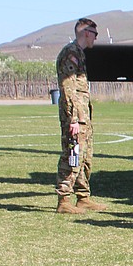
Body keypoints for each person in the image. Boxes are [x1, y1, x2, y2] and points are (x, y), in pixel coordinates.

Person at [55, 17, 105, 214]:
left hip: (84, 117)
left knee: (84, 157)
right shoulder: (70, 54)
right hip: (75, 119)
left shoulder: (80, 54)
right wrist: (73, 119)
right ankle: (64, 200)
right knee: (72, 155)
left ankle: (83, 197)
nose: (95, 38)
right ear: (86, 33)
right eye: (95, 34)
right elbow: (68, 90)